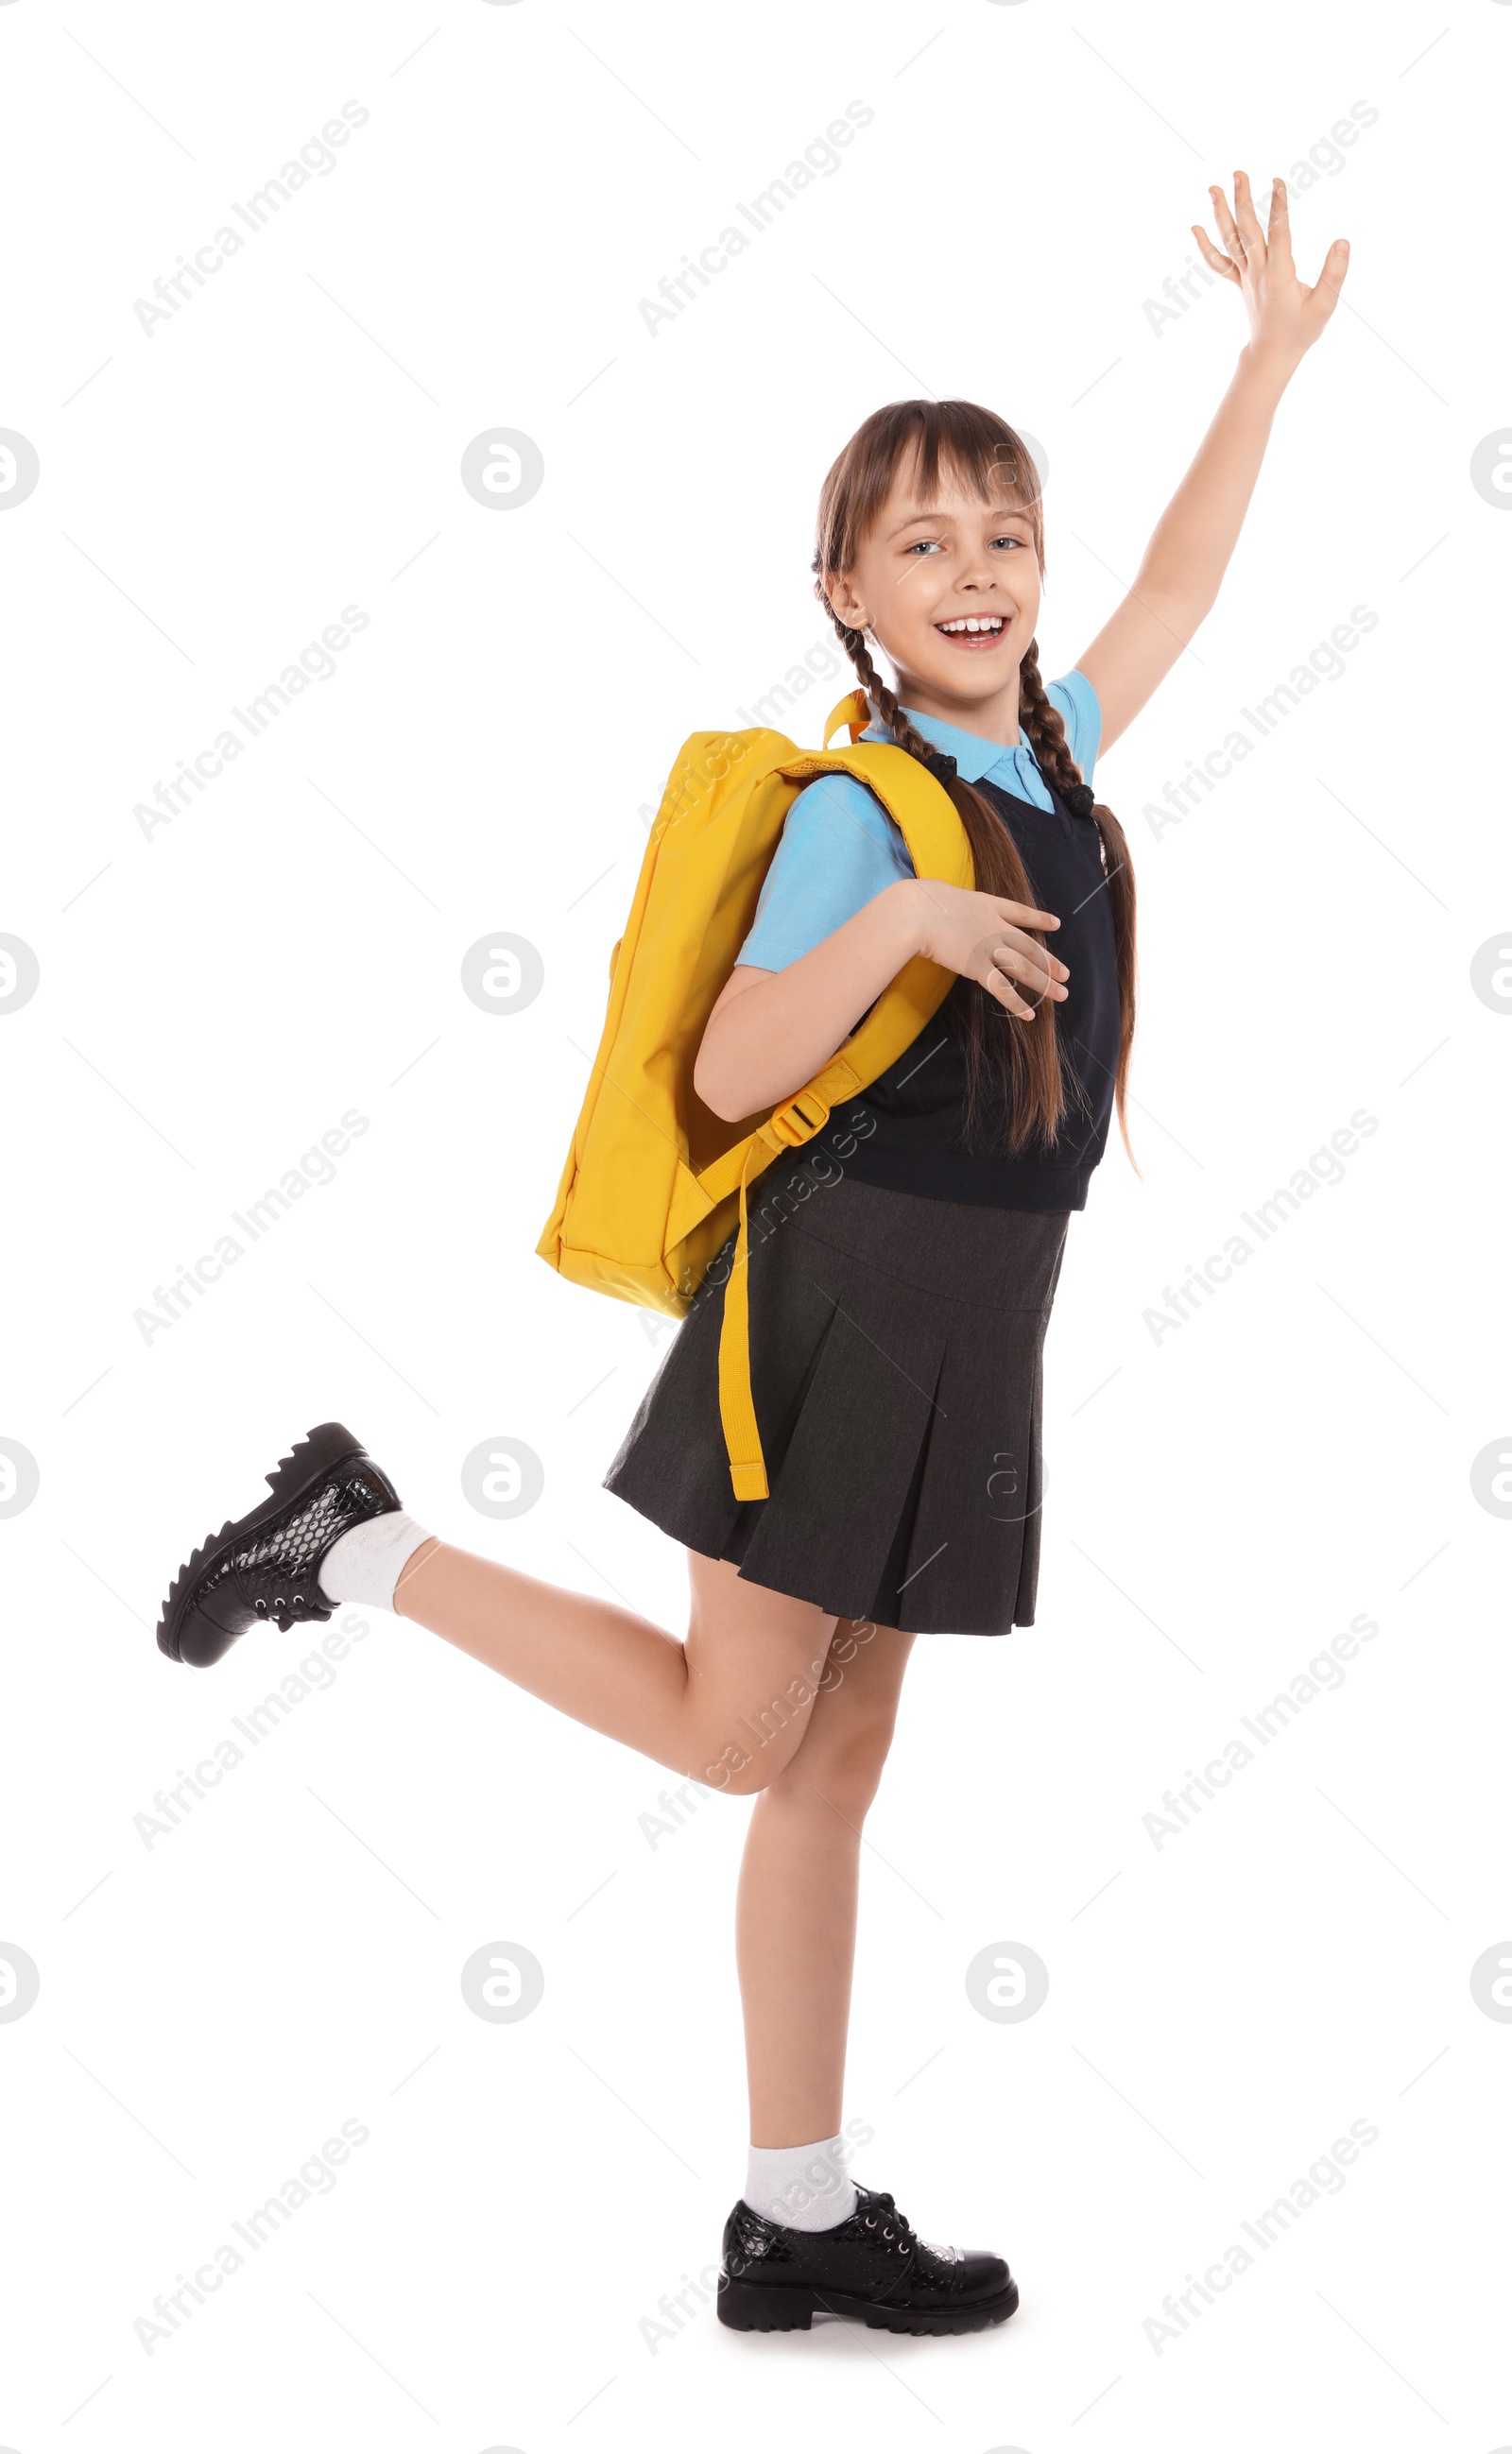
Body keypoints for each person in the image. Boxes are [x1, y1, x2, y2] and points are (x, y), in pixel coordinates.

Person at [154, 174, 1348, 2337]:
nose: (974, 571)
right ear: (846, 594)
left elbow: (1179, 586)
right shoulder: (856, 812)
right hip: (830, 1307)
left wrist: (1261, 367)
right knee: (738, 1739)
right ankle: (346, 1546)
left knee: (832, 1761)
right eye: (923, 543)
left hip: (973, 1322)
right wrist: (895, 923)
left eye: (1002, 533)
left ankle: (793, 2212)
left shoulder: (1049, 758)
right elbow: (726, 1067)